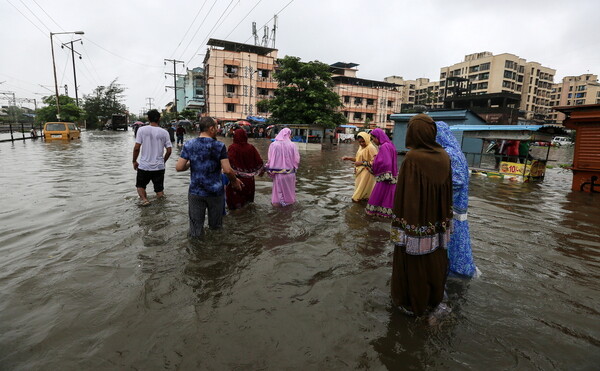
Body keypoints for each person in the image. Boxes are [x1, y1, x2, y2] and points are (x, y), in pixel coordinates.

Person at [390, 113, 453, 316]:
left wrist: (403, 224)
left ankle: (412, 302)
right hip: (437, 222)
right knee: (435, 258)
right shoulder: (444, 156)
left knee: (414, 260)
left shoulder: (413, 157)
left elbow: (404, 195)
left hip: (415, 222)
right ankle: (434, 299)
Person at [175, 117, 242, 237]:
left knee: (195, 230)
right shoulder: (219, 146)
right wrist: (234, 181)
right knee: (216, 228)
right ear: (211, 128)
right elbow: (227, 170)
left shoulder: (189, 144)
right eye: (216, 127)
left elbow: (179, 167)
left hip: (196, 192)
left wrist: (193, 161)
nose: (217, 130)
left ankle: (196, 253)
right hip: (215, 192)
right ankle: (214, 252)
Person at [435, 121, 478, 277]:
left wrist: (434, 189)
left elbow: (457, 182)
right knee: (457, 239)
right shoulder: (456, 151)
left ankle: (455, 270)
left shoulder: (448, 154)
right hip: (458, 207)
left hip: (452, 207)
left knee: (452, 240)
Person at [132, 109, 172, 206]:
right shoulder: (164, 132)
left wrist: (134, 161)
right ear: (159, 119)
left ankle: (145, 200)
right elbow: (169, 150)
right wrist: (163, 161)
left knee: (140, 186)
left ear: (148, 118)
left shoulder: (141, 130)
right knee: (159, 190)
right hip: (159, 167)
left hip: (144, 166)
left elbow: (137, 148)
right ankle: (161, 206)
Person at [226, 128, 264, 210]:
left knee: (236, 207)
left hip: (236, 180)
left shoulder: (232, 148)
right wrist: (261, 172)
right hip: (250, 181)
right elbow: (260, 162)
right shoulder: (251, 148)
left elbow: (228, 165)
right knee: (248, 205)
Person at [365, 128, 398, 218]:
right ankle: (385, 215)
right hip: (393, 177)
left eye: (374, 138)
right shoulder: (390, 145)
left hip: (385, 178)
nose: (373, 141)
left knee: (377, 198)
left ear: (378, 137)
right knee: (387, 198)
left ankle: (376, 215)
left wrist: (375, 160)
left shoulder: (384, 146)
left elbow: (386, 162)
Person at [265, 127, 300, 206]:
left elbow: (270, 159)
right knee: (290, 195)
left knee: (278, 196)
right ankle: (289, 212)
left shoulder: (274, 145)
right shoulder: (292, 145)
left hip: (278, 174)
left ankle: (277, 212)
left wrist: (268, 169)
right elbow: (297, 160)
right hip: (290, 174)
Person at [342, 132, 378, 202]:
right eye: (360, 142)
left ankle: (357, 204)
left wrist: (361, 163)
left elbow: (375, 162)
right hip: (360, 172)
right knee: (362, 191)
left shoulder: (371, 147)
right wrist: (349, 158)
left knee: (358, 195)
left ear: (367, 139)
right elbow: (358, 159)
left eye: (363, 141)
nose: (361, 143)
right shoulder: (361, 147)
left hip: (367, 173)